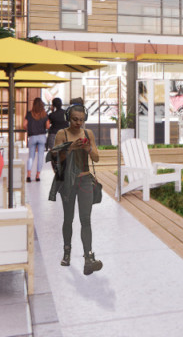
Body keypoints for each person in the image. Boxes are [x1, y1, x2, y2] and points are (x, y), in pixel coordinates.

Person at [50, 103, 104, 275]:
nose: (78, 123)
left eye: (81, 120)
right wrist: (71, 147)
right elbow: (54, 155)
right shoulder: (62, 134)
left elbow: (96, 158)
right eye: (74, 119)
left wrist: (88, 148)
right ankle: (67, 252)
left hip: (85, 180)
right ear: (68, 118)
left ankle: (88, 257)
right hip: (68, 181)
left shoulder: (89, 134)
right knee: (68, 218)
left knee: (86, 219)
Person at [45, 97, 68, 199]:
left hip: (54, 136)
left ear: (53, 105)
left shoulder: (51, 115)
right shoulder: (66, 113)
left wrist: (51, 111)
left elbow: (47, 125)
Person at [25, 97, 48, 183]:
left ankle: (28, 175)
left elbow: (24, 124)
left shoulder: (29, 113)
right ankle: (37, 176)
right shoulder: (44, 114)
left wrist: (29, 129)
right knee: (41, 156)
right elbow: (48, 126)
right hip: (42, 136)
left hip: (32, 136)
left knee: (31, 156)